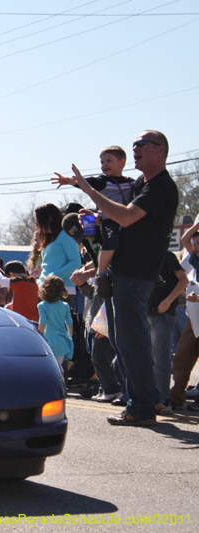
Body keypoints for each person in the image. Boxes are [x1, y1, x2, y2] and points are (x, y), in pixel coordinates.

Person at [71, 130, 178, 426]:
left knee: (132, 341)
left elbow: (127, 217)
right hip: (123, 272)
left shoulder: (161, 186)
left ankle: (143, 408)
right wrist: (97, 216)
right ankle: (145, 400)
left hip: (136, 274)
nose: (135, 148)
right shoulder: (143, 183)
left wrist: (90, 191)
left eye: (142, 144)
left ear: (160, 151)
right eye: (134, 144)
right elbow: (123, 218)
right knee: (123, 341)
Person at [53, 146, 134, 298]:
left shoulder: (131, 183)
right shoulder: (103, 182)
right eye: (102, 162)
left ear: (122, 163)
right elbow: (87, 183)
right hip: (107, 220)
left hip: (127, 221)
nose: (104, 165)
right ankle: (102, 274)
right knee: (110, 243)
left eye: (109, 161)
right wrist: (69, 181)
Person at [147, 250, 187, 414]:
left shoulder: (166, 255)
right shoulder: (139, 256)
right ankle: (150, 398)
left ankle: (163, 399)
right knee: (147, 359)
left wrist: (168, 301)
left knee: (161, 358)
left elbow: (183, 280)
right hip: (145, 311)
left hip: (162, 313)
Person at [170, 223, 199, 410]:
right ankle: (176, 398)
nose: (196, 249)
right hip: (194, 318)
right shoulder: (196, 259)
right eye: (196, 245)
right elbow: (184, 240)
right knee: (181, 358)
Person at [34, 203, 81, 297]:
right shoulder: (48, 239)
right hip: (45, 289)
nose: (36, 225)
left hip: (61, 290)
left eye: (39, 220)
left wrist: (52, 277)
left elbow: (76, 263)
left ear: (50, 218)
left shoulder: (65, 235)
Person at [37, 275, 74, 368]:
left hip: (49, 341)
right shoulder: (65, 305)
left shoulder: (42, 305)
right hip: (62, 341)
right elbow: (69, 324)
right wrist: (69, 337)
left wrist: (38, 336)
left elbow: (42, 323)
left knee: (49, 367)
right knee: (59, 367)